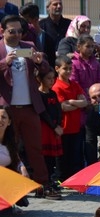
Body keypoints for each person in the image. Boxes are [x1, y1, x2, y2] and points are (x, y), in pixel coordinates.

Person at [0, 15, 51, 196]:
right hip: (7, 109)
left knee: (35, 147)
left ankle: (41, 184)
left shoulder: (28, 46)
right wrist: (4, 64)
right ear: (2, 30)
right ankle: (10, 186)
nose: (16, 35)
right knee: (8, 148)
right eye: (12, 31)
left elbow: (45, 69)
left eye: (20, 31)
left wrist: (39, 62)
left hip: (29, 106)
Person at [52, 55, 88, 180]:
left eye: (70, 69)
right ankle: (61, 179)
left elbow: (84, 102)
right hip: (64, 128)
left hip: (75, 127)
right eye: (65, 69)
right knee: (63, 157)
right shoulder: (56, 86)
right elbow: (63, 107)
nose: (68, 71)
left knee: (75, 156)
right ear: (57, 69)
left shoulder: (74, 84)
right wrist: (76, 103)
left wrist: (71, 101)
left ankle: (74, 179)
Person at [36, 68, 63, 197]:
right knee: (45, 155)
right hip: (45, 128)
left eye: (53, 78)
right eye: (48, 78)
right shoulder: (38, 95)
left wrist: (59, 123)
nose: (52, 81)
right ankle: (45, 182)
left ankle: (52, 179)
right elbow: (43, 113)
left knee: (53, 157)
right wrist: (53, 126)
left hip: (54, 128)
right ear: (40, 79)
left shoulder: (53, 93)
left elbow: (58, 109)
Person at [71, 35, 100, 100]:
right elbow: (74, 83)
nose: (90, 49)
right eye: (87, 46)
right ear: (79, 47)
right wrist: (85, 97)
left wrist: (98, 94)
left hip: (96, 97)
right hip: (82, 98)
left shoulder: (95, 62)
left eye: (92, 46)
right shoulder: (74, 63)